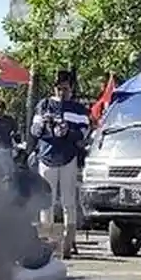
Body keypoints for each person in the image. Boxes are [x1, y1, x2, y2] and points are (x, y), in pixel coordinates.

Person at [30, 70, 89, 256]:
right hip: (47, 157)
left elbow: (84, 133)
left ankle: (68, 243)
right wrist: (45, 126)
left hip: (68, 158)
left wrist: (68, 132)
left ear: (71, 88)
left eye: (65, 88)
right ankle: (48, 241)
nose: (62, 92)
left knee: (68, 202)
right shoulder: (44, 105)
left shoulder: (78, 109)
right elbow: (34, 130)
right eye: (58, 88)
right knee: (46, 201)